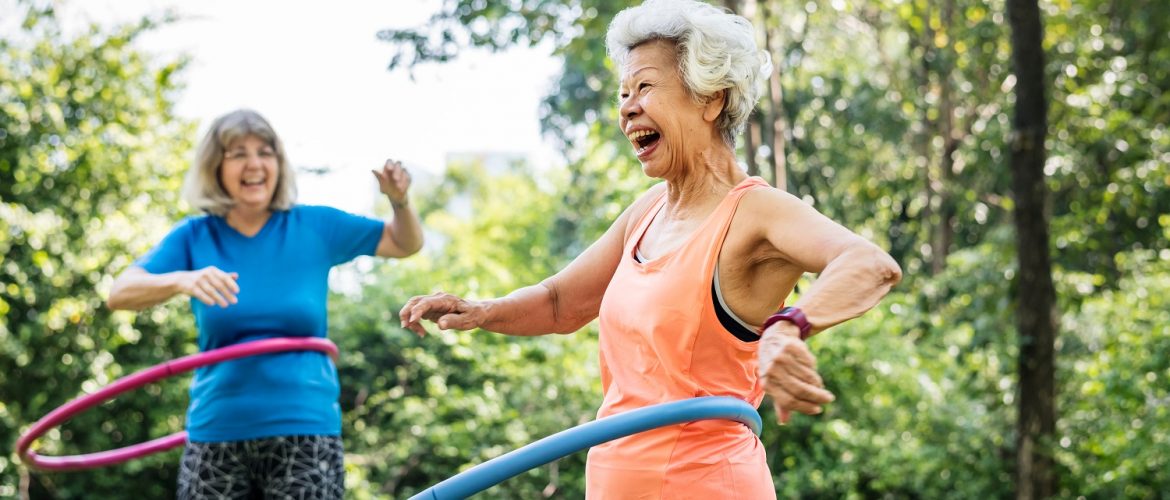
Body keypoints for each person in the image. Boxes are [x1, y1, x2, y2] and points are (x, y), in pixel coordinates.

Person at [399, 0, 902, 497]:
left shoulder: (757, 211)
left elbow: (869, 265)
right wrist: (482, 310)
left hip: (707, 482)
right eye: (622, 93)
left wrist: (788, 327)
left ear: (712, 99)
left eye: (644, 87)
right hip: (616, 481)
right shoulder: (647, 212)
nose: (627, 107)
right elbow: (561, 303)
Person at [107, 109, 423, 499]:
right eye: (237, 153)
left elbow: (403, 243)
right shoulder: (194, 236)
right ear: (215, 167)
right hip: (216, 430)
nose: (254, 164)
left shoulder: (314, 226)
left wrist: (400, 202)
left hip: (305, 429)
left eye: (265, 151)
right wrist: (182, 279)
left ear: (278, 163)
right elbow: (119, 292)